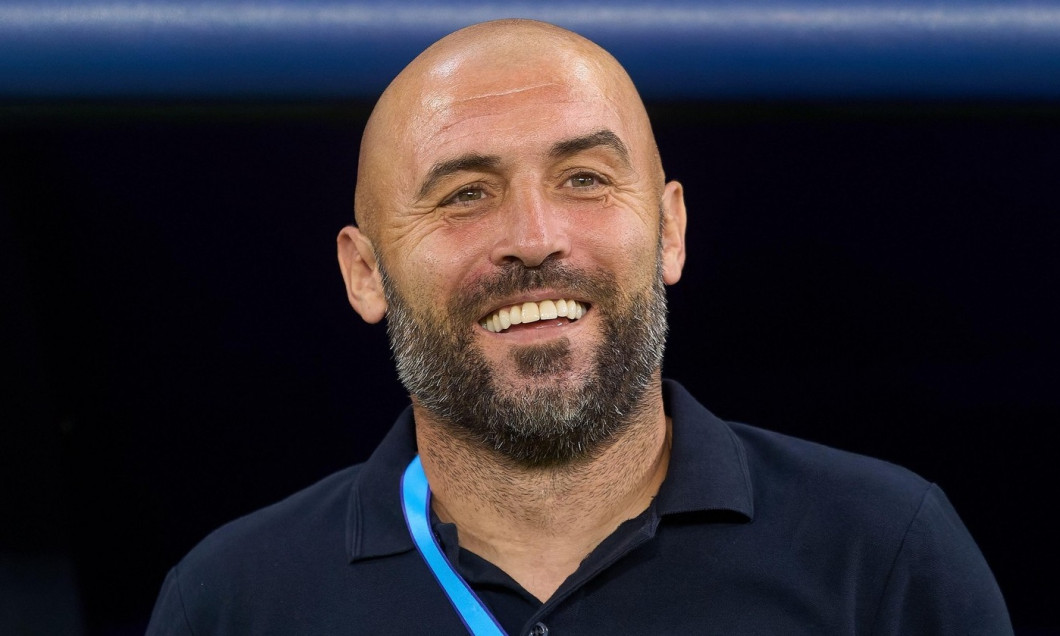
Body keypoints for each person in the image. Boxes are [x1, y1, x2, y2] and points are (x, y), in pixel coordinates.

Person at [146, 19, 1011, 635]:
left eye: (586, 179)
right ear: (365, 272)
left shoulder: (884, 552)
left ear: (669, 229)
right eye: (465, 195)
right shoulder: (232, 601)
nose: (533, 239)